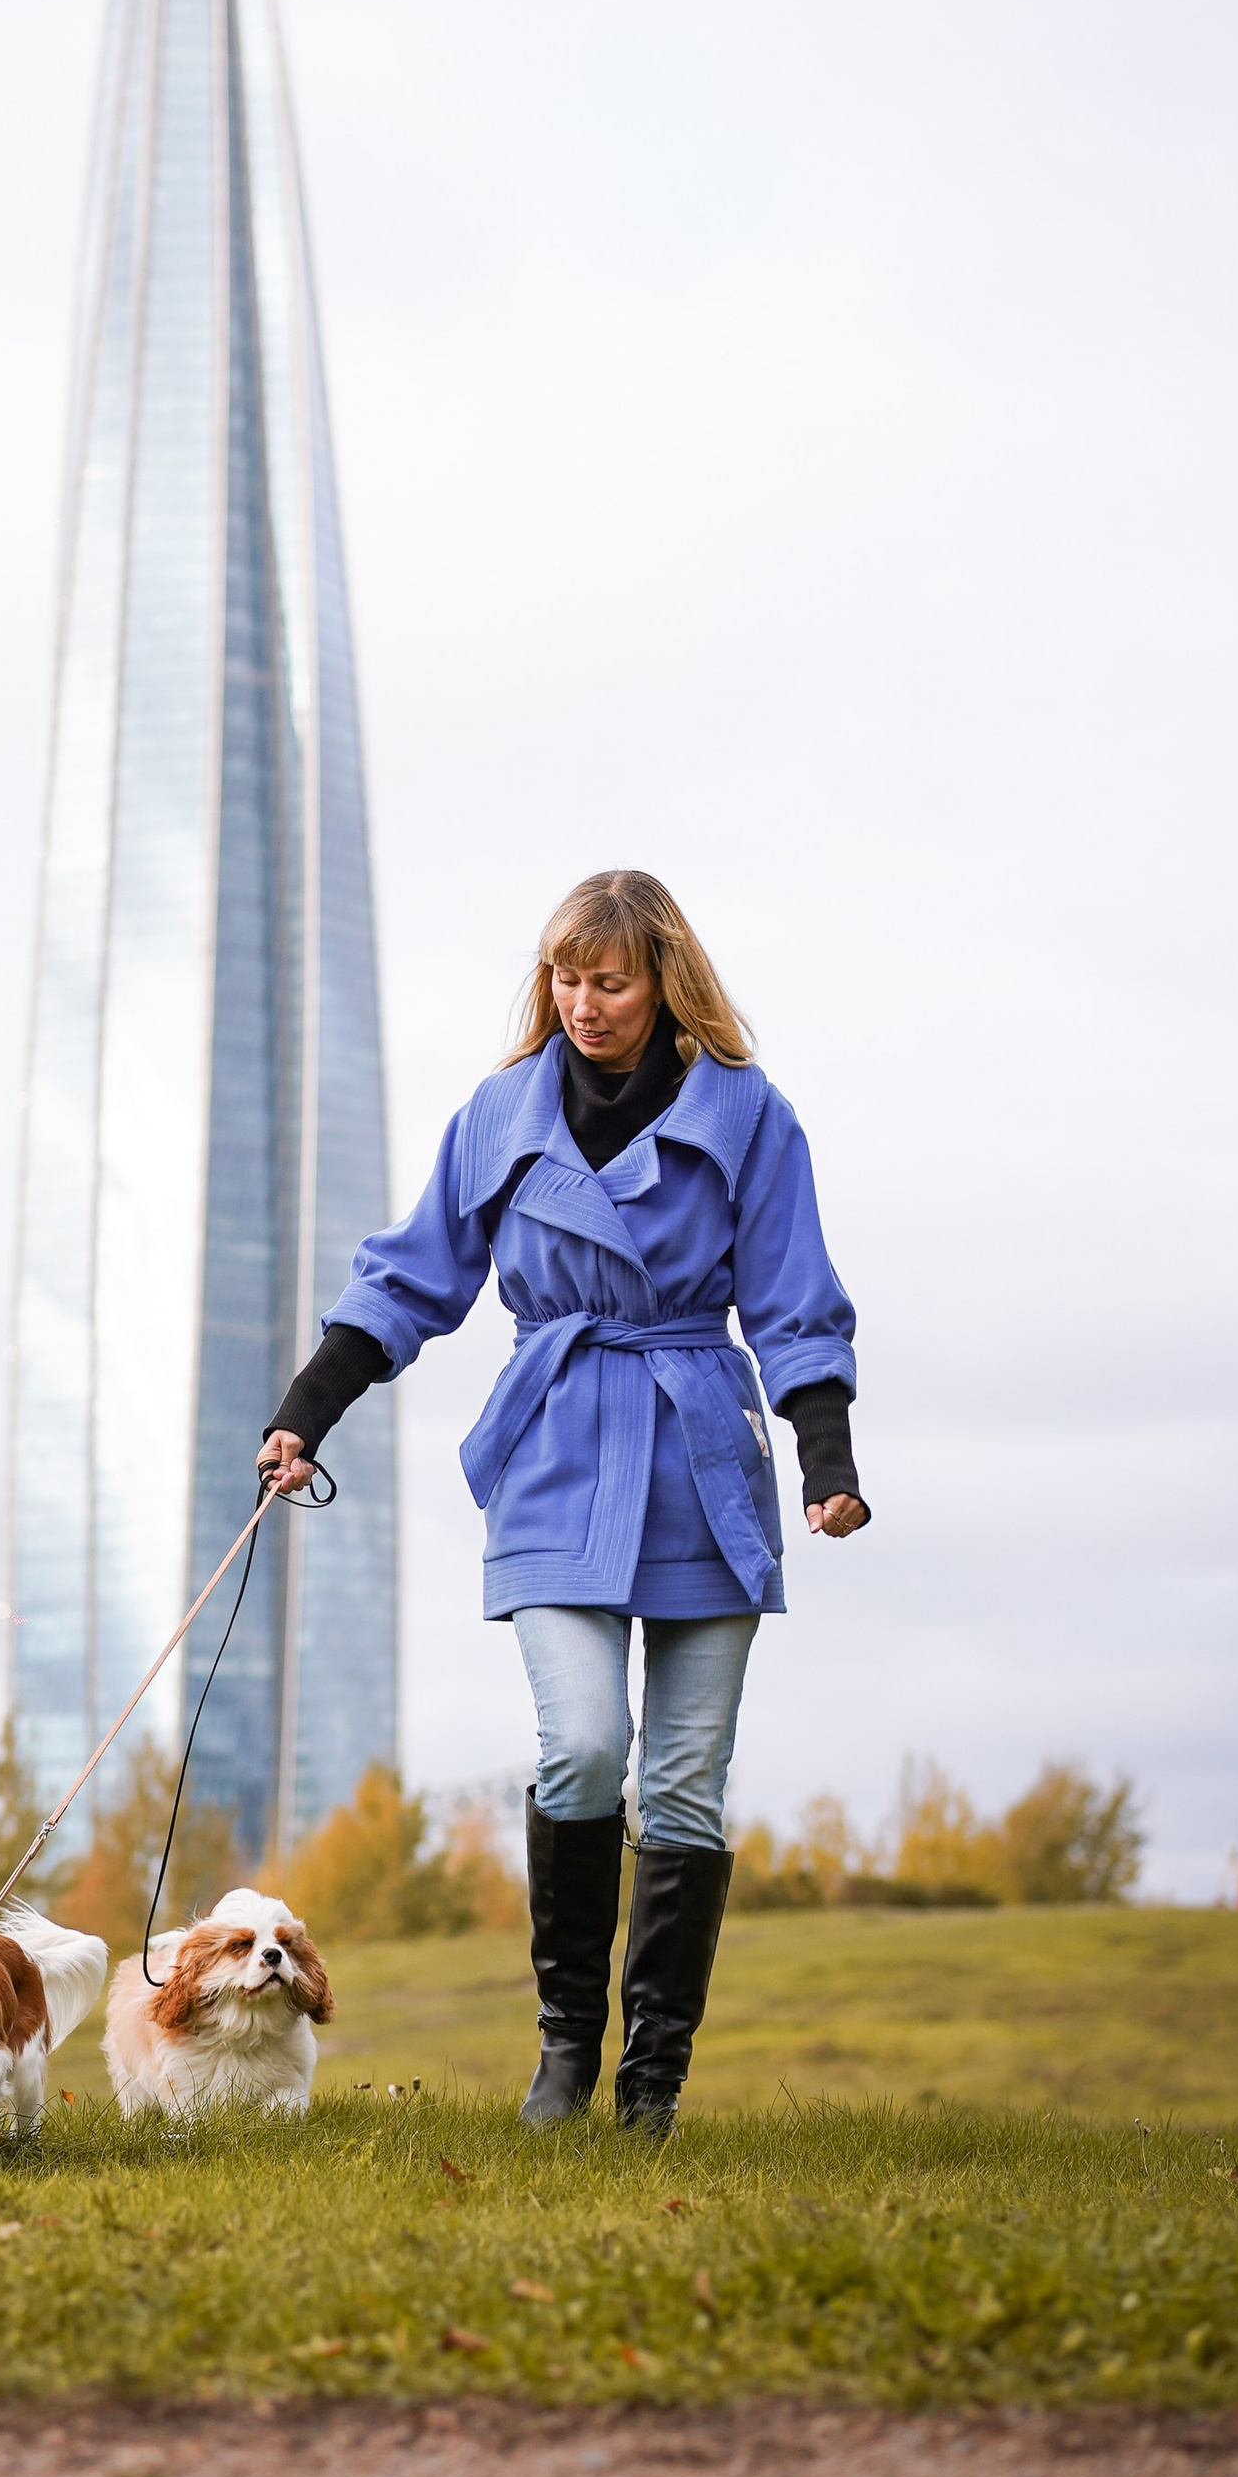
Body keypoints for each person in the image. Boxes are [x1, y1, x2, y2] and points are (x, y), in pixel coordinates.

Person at [257, 868, 867, 2137]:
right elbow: (410, 1276)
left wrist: (826, 1460)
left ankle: (652, 2083)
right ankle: (563, 2049)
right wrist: (306, 1408)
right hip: (555, 1449)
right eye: (565, 979)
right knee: (583, 1743)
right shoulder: (497, 1113)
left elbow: (795, 1291)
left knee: (686, 1781)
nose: (583, 1004)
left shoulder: (750, 1115)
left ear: (665, 986)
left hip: (701, 1451)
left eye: (611, 981)